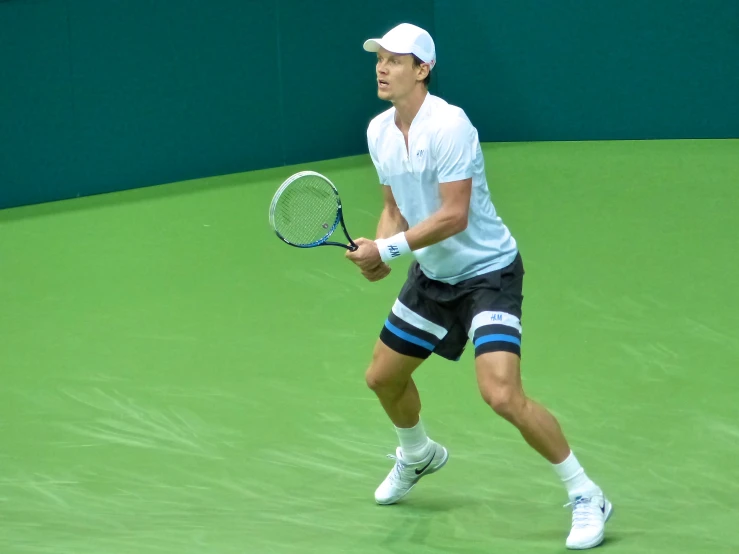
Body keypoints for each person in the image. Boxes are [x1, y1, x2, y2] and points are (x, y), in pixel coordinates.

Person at [344, 22, 613, 550]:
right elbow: (393, 209)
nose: (382, 67)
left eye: (396, 60)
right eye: (379, 58)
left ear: (423, 70)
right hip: (433, 278)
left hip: (488, 273)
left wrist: (391, 249)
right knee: (383, 379)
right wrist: (379, 254)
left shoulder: (450, 126)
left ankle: (586, 495)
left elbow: (454, 215)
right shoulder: (378, 130)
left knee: (500, 393)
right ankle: (418, 454)